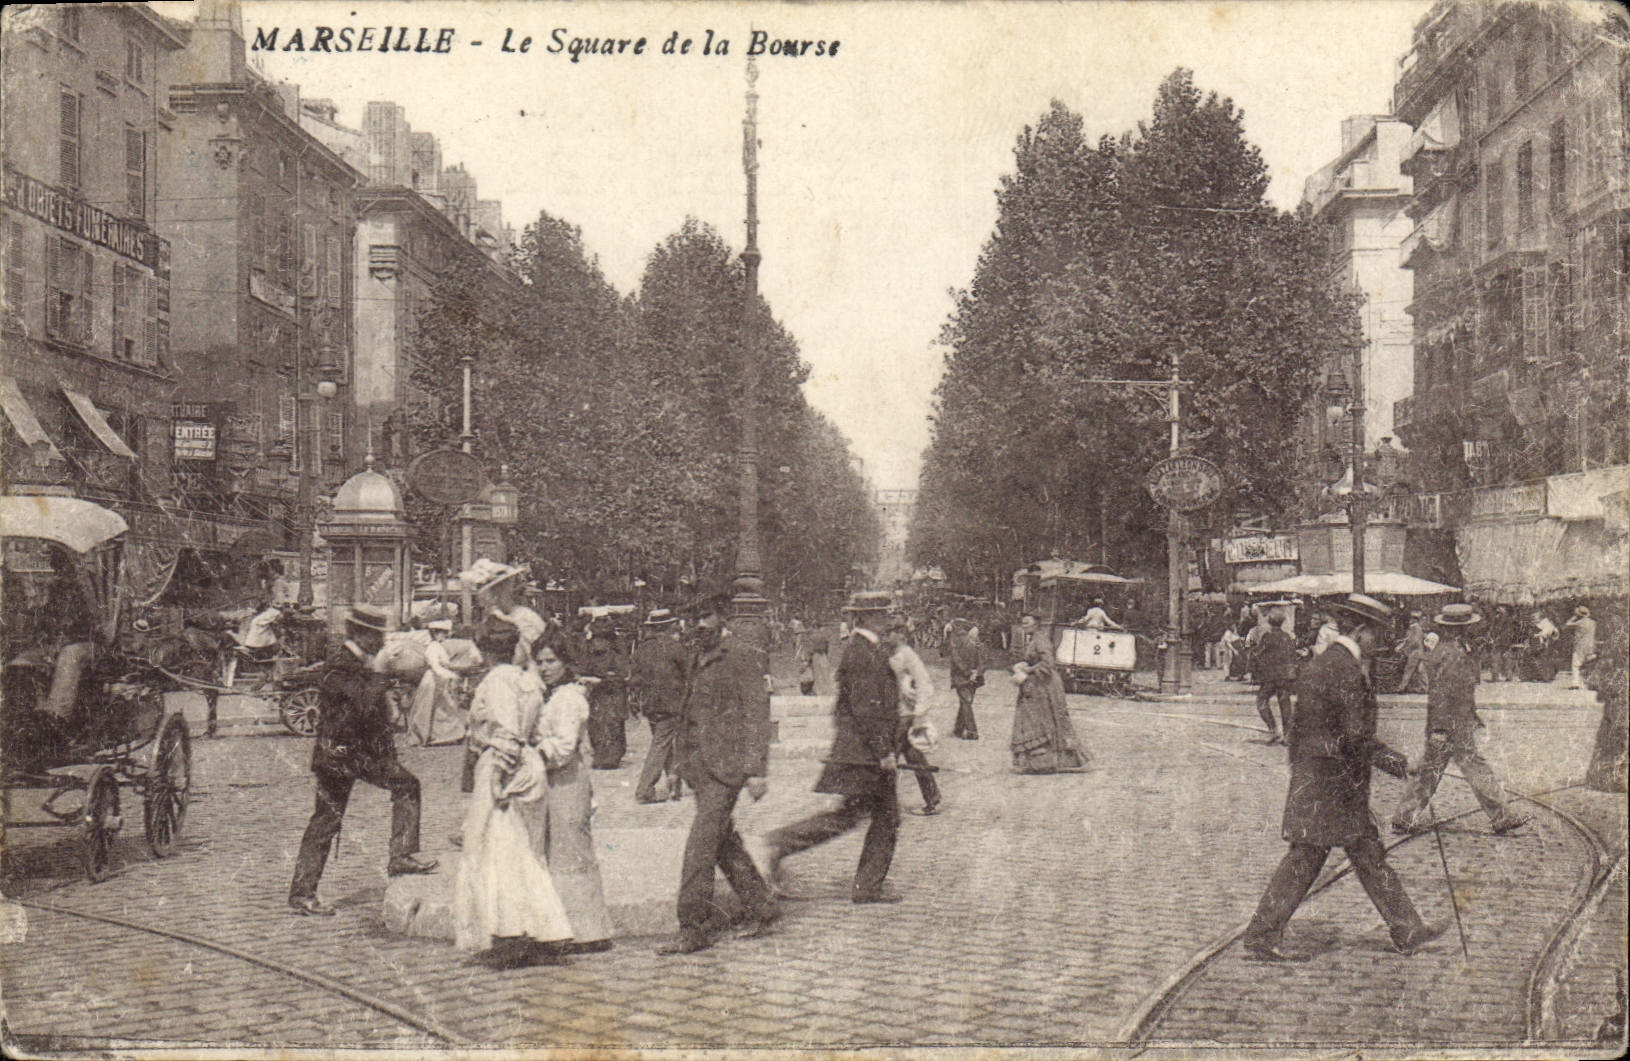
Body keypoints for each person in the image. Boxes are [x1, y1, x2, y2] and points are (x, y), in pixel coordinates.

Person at [1241, 593, 1444, 962]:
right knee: (1311, 857)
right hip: (1333, 784)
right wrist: (1402, 764)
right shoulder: (1347, 671)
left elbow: (1300, 729)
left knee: (1365, 854)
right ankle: (1262, 934)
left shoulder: (1322, 663)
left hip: (1322, 778)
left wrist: (1303, 772)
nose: (1380, 643)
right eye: (1377, 634)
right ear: (1361, 631)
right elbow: (1355, 737)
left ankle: (1408, 928)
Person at [289, 606, 436, 917]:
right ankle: (302, 893)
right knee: (327, 820)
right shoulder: (339, 665)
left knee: (407, 786)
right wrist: (380, 676)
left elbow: (375, 710)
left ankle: (401, 856)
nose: (381, 642)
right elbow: (361, 706)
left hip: (361, 755)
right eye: (376, 636)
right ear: (358, 634)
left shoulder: (360, 662)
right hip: (339, 756)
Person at [763, 591, 905, 905]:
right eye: (884, 613)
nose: (889, 619)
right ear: (869, 617)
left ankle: (865, 885)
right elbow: (866, 709)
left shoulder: (866, 649)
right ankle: (781, 844)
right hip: (864, 755)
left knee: (868, 816)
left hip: (861, 752)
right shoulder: (863, 652)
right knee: (861, 818)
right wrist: (884, 751)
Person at [656, 590, 778, 955]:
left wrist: (756, 769)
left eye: (705, 616)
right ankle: (762, 906)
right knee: (722, 842)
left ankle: (693, 927)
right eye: (692, 618)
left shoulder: (741, 655)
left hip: (727, 768)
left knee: (700, 846)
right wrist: (677, 766)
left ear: (722, 615)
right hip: (700, 768)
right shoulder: (697, 655)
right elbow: (687, 715)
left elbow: (756, 713)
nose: (698, 625)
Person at [453, 623, 575, 967]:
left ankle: (510, 935)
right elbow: (532, 731)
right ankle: (543, 930)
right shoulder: (528, 681)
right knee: (524, 852)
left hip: (504, 768)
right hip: (527, 766)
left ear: (485, 651)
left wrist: (497, 780)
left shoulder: (498, 681)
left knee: (498, 851)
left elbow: (507, 734)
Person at [1392, 604, 1530, 837]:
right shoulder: (1453, 653)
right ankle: (1502, 815)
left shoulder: (1450, 649)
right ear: (1460, 629)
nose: (1472, 630)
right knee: (1460, 769)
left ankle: (1404, 818)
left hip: (1453, 723)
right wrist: (1440, 729)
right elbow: (1444, 694)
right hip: (1451, 725)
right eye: (1469, 626)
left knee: (1434, 772)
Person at [530, 635, 616, 951]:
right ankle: (566, 929)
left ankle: (591, 932)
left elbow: (565, 747)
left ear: (566, 663)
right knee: (557, 851)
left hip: (566, 779)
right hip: (552, 780)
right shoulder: (552, 695)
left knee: (573, 850)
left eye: (551, 661)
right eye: (540, 662)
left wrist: (530, 756)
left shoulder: (568, 698)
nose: (544, 667)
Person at [1010, 614, 1088, 774]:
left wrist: (1028, 670)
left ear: (1036, 624)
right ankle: (1038, 762)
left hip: (1045, 685)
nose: (1024, 625)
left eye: (1027, 623)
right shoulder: (1033, 639)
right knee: (1035, 719)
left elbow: (1048, 663)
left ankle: (1046, 762)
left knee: (1041, 719)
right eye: (1022, 623)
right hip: (1036, 684)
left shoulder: (1041, 640)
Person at [630, 609, 689, 803]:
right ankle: (644, 790)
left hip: (650, 704)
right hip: (672, 704)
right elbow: (689, 672)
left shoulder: (642, 649)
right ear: (668, 626)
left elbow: (635, 678)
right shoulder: (675, 647)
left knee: (664, 743)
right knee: (661, 745)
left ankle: (674, 786)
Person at [887, 615, 942, 815]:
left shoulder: (907, 655)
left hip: (905, 714)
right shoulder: (888, 652)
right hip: (893, 712)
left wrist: (919, 712)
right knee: (913, 756)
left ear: (900, 634)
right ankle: (932, 798)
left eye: (889, 633)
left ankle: (884, 806)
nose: (885, 637)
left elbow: (924, 683)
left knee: (888, 756)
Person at [406, 620, 466, 746]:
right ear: (435, 634)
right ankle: (423, 736)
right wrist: (450, 675)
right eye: (441, 633)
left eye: (445, 633)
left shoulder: (438, 646)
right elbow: (435, 666)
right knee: (428, 708)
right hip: (432, 680)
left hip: (438, 680)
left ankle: (446, 735)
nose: (444, 635)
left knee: (442, 708)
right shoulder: (433, 647)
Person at [580, 616, 629, 769]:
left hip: (612, 692)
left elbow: (623, 675)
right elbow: (583, 667)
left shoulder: (617, 650)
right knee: (597, 724)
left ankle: (611, 756)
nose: (598, 642)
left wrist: (602, 680)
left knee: (612, 723)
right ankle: (601, 755)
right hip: (598, 693)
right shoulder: (590, 649)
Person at [1251, 609, 1297, 745]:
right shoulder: (1287, 637)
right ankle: (1288, 735)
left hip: (1271, 676)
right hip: (1286, 676)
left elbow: (1257, 653)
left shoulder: (1267, 637)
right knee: (1285, 703)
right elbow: (1292, 655)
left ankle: (1274, 730)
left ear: (1270, 621)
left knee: (1261, 701)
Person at [946, 619, 985, 740]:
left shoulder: (954, 640)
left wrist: (967, 672)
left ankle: (972, 731)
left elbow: (956, 659)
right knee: (965, 701)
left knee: (965, 702)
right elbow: (983, 658)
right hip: (975, 676)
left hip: (961, 676)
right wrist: (977, 672)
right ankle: (958, 729)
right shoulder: (975, 640)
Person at [1395, 612, 1430, 694]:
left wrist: (1404, 648)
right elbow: (1410, 639)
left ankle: (1401, 688)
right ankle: (1424, 688)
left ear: (1414, 620)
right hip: (1420, 652)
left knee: (1408, 669)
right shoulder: (1418, 628)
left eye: (1411, 619)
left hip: (1415, 652)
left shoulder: (1414, 628)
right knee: (1421, 670)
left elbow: (1414, 642)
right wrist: (1402, 642)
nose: (1410, 620)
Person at [1565, 606, 1597, 690]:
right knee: (1590, 664)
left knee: (1575, 665)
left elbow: (1567, 624)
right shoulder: (1593, 623)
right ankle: (1593, 682)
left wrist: (1574, 616)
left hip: (1580, 645)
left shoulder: (1579, 623)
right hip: (1590, 645)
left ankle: (1575, 684)